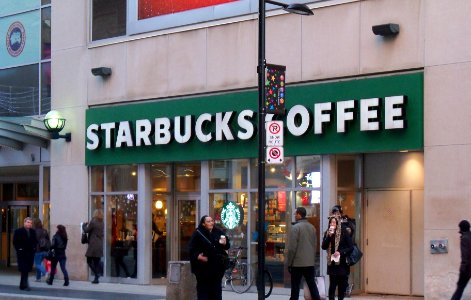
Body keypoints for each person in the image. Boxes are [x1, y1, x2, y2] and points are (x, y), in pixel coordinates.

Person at [189, 215, 230, 300]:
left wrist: (225, 243)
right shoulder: (198, 233)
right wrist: (199, 257)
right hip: (203, 268)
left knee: (216, 291)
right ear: (203, 224)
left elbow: (227, 246)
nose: (211, 223)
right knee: (203, 291)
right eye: (208, 221)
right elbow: (191, 249)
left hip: (217, 267)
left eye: (212, 221)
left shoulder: (218, 232)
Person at [286, 207, 321, 300]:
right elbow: (314, 245)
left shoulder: (295, 228)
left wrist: (289, 263)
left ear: (299, 214)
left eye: (295, 214)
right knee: (312, 285)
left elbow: (292, 248)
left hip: (297, 263)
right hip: (309, 263)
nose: (294, 216)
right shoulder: (312, 227)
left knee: (295, 287)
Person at [321, 216, 353, 300]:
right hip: (332, 263)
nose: (332, 224)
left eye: (334, 222)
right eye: (331, 222)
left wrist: (340, 252)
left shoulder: (343, 232)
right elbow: (323, 246)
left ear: (337, 224)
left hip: (342, 263)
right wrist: (329, 236)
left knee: (341, 286)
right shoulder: (327, 233)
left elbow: (350, 247)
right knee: (332, 286)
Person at [13, 217, 37, 291]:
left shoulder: (33, 231)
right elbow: (15, 242)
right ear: (24, 223)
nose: (29, 224)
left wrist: (34, 248)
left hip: (30, 254)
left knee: (25, 270)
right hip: (22, 254)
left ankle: (22, 285)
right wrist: (19, 249)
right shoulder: (18, 231)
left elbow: (35, 241)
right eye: (28, 222)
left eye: (30, 223)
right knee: (24, 270)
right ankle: (26, 285)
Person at [83, 209, 104, 284]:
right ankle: (96, 278)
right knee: (96, 262)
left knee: (88, 260)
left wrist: (83, 226)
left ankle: (96, 274)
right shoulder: (102, 223)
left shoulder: (93, 222)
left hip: (93, 244)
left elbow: (86, 230)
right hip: (99, 244)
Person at [451, 220, 471, 300]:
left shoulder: (464, 238)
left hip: (467, 269)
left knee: (460, 288)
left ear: (461, 228)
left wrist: (462, 268)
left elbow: (465, 256)